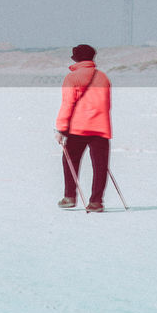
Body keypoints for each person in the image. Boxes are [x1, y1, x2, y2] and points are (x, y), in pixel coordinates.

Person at [54, 44, 111, 212]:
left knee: (70, 161)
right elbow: (106, 105)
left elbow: (67, 105)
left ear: (76, 59)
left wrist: (61, 129)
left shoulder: (71, 78)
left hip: (78, 128)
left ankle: (70, 197)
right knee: (100, 166)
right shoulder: (103, 77)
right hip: (101, 127)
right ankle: (96, 202)